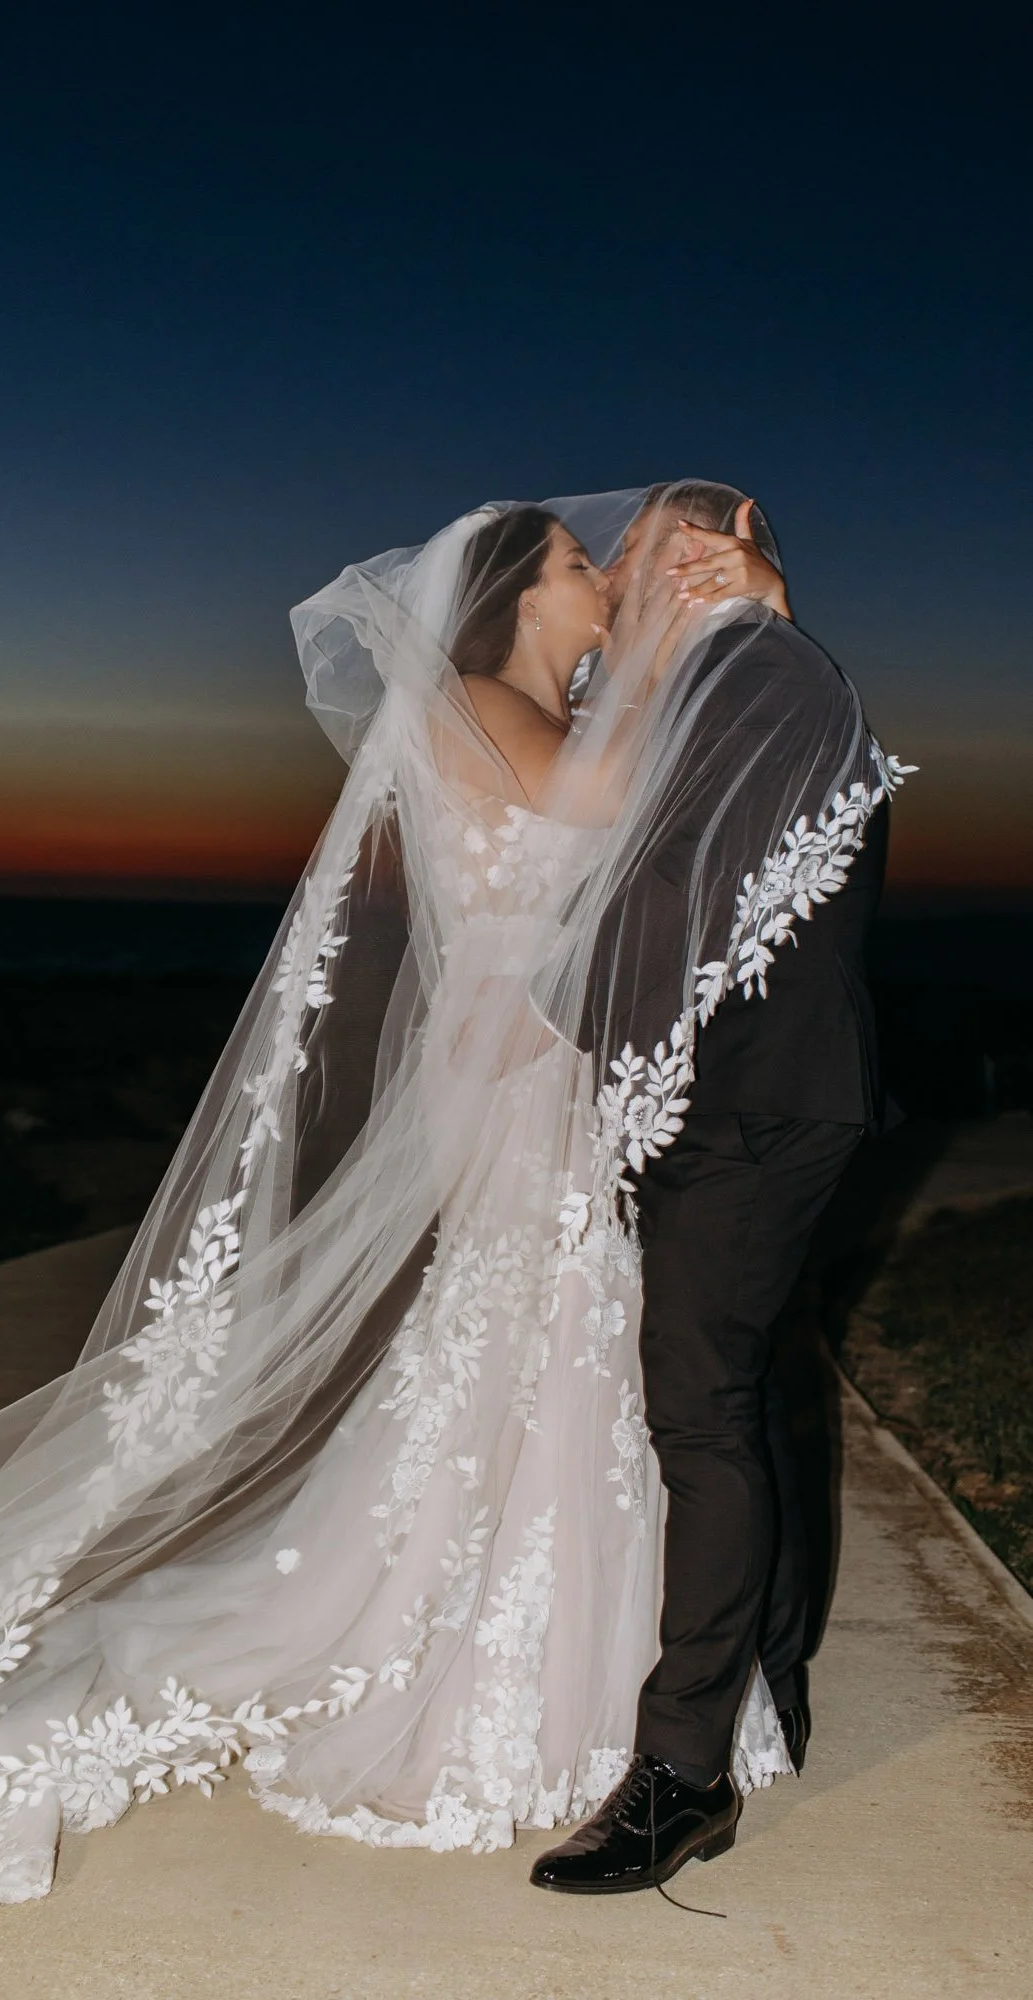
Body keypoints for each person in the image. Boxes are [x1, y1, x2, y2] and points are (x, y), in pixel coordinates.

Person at [0, 491, 908, 1950]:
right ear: (522, 593)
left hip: (578, 1080)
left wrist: (704, 636)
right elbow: (601, 807)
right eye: (586, 563)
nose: (607, 580)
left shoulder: (558, 701)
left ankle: (636, 1698)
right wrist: (672, 639)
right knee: (570, 1356)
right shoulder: (474, 699)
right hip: (523, 1082)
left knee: (592, 1369)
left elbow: (662, 837)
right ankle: (591, 1698)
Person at [529, 482, 904, 1895]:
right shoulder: (722, 678)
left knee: (700, 1406)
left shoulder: (765, 667)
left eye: (632, 548)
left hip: (749, 1101)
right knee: (748, 1387)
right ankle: (771, 1689)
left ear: (708, 544)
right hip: (733, 1091)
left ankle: (678, 1777)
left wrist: (557, 1043)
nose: (619, 569)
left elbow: (668, 902)